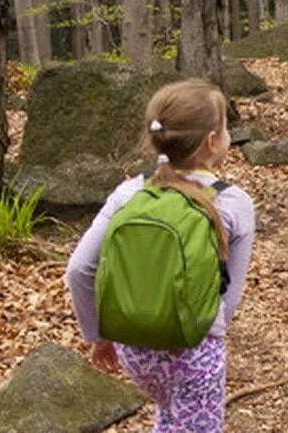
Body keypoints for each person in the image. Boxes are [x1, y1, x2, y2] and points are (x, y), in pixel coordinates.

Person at [66, 80, 255, 432]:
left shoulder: (129, 192)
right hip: (194, 350)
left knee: (168, 415)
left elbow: (79, 270)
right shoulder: (233, 203)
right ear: (213, 142)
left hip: (134, 350)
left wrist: (99, 334)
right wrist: (200, 332)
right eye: (226, 127)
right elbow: (228, 300)